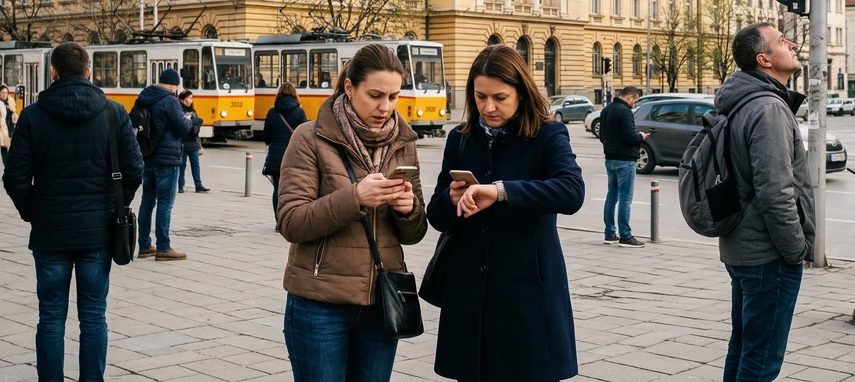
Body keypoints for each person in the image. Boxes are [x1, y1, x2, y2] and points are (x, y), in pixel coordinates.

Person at [428, 44, 585, 382]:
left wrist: (500, 191)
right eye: (480, 96)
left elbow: (571, 192)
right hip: (471, 296)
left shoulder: (547, 134)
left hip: (527, 294)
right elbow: (436, 215)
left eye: (499, 97)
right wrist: (452, 198)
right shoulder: (461, 138)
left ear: (521, 92)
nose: (488, 107)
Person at [277, 44, 427, 382]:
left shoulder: (403, 141)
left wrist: (409, 210)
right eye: (375, 95)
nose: (385, 107)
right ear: (349, 87)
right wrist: (355, 197)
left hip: (382, 303)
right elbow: (291, 221)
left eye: (393, 97)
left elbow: (415, 233)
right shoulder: (310, 137)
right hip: (320, 304)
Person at [4, 42, 145, 382]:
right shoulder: (112, 112)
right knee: (94, 316)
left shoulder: (33, 114)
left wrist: (34, 211)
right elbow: (135, 169)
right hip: (98, 229)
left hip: (50, 231)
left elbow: (14, 177)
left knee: (50, 316)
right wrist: (114, 204)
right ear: (88, 72)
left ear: (52, 73)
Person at [714, 22, 814, 381]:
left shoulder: (741, 101)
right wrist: (796, 249)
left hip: (744, 247)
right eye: (781, 41)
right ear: (764, 59)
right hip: (768, 254)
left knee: (743, 349)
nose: (791, 44)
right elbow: (776, 192)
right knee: (761, 360)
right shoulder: (768, 107)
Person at [134, 68, 197, 261]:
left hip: (148, 156)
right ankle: (163, 247)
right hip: (167, 158)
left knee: (146, 201)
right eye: (176, 86)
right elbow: (183, 128)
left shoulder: (144, 97)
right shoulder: (170, 100)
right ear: (171, 85)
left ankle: (144, 245)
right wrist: (188, 120)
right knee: (165, 203)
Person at [598, 85, 648, 248]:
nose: (635, 103)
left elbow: (602, 136)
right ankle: (625, 236)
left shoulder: (606, 110)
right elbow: (629, 136)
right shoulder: (625, 111)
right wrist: (640, 136)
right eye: (635, 100)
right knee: (625, 198)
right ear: (630, 97)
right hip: (626, 160)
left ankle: (610, 233)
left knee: (611, 196)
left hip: (610, 158)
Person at [262, 82, 307, 218]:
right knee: (293, 189)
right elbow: (305, 135)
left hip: (275, 157)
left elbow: (266, 137)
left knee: (277, 188)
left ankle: (278, 220)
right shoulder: (299, 111)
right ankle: (288, 218)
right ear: (294, 94)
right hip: (294, 156)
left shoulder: (272, 112)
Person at [176, 90, 207, 194]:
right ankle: (181, 185)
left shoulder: (193, 111)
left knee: (196, 165)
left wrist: (192, 122)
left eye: (191, 98)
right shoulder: (178, 111)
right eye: (188, 98)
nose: (190, 100)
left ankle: (198, 185)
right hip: (183, 142)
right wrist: (189, 121)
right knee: (182, 165)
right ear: (182, 99)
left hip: (193, 142)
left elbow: (197, 124)